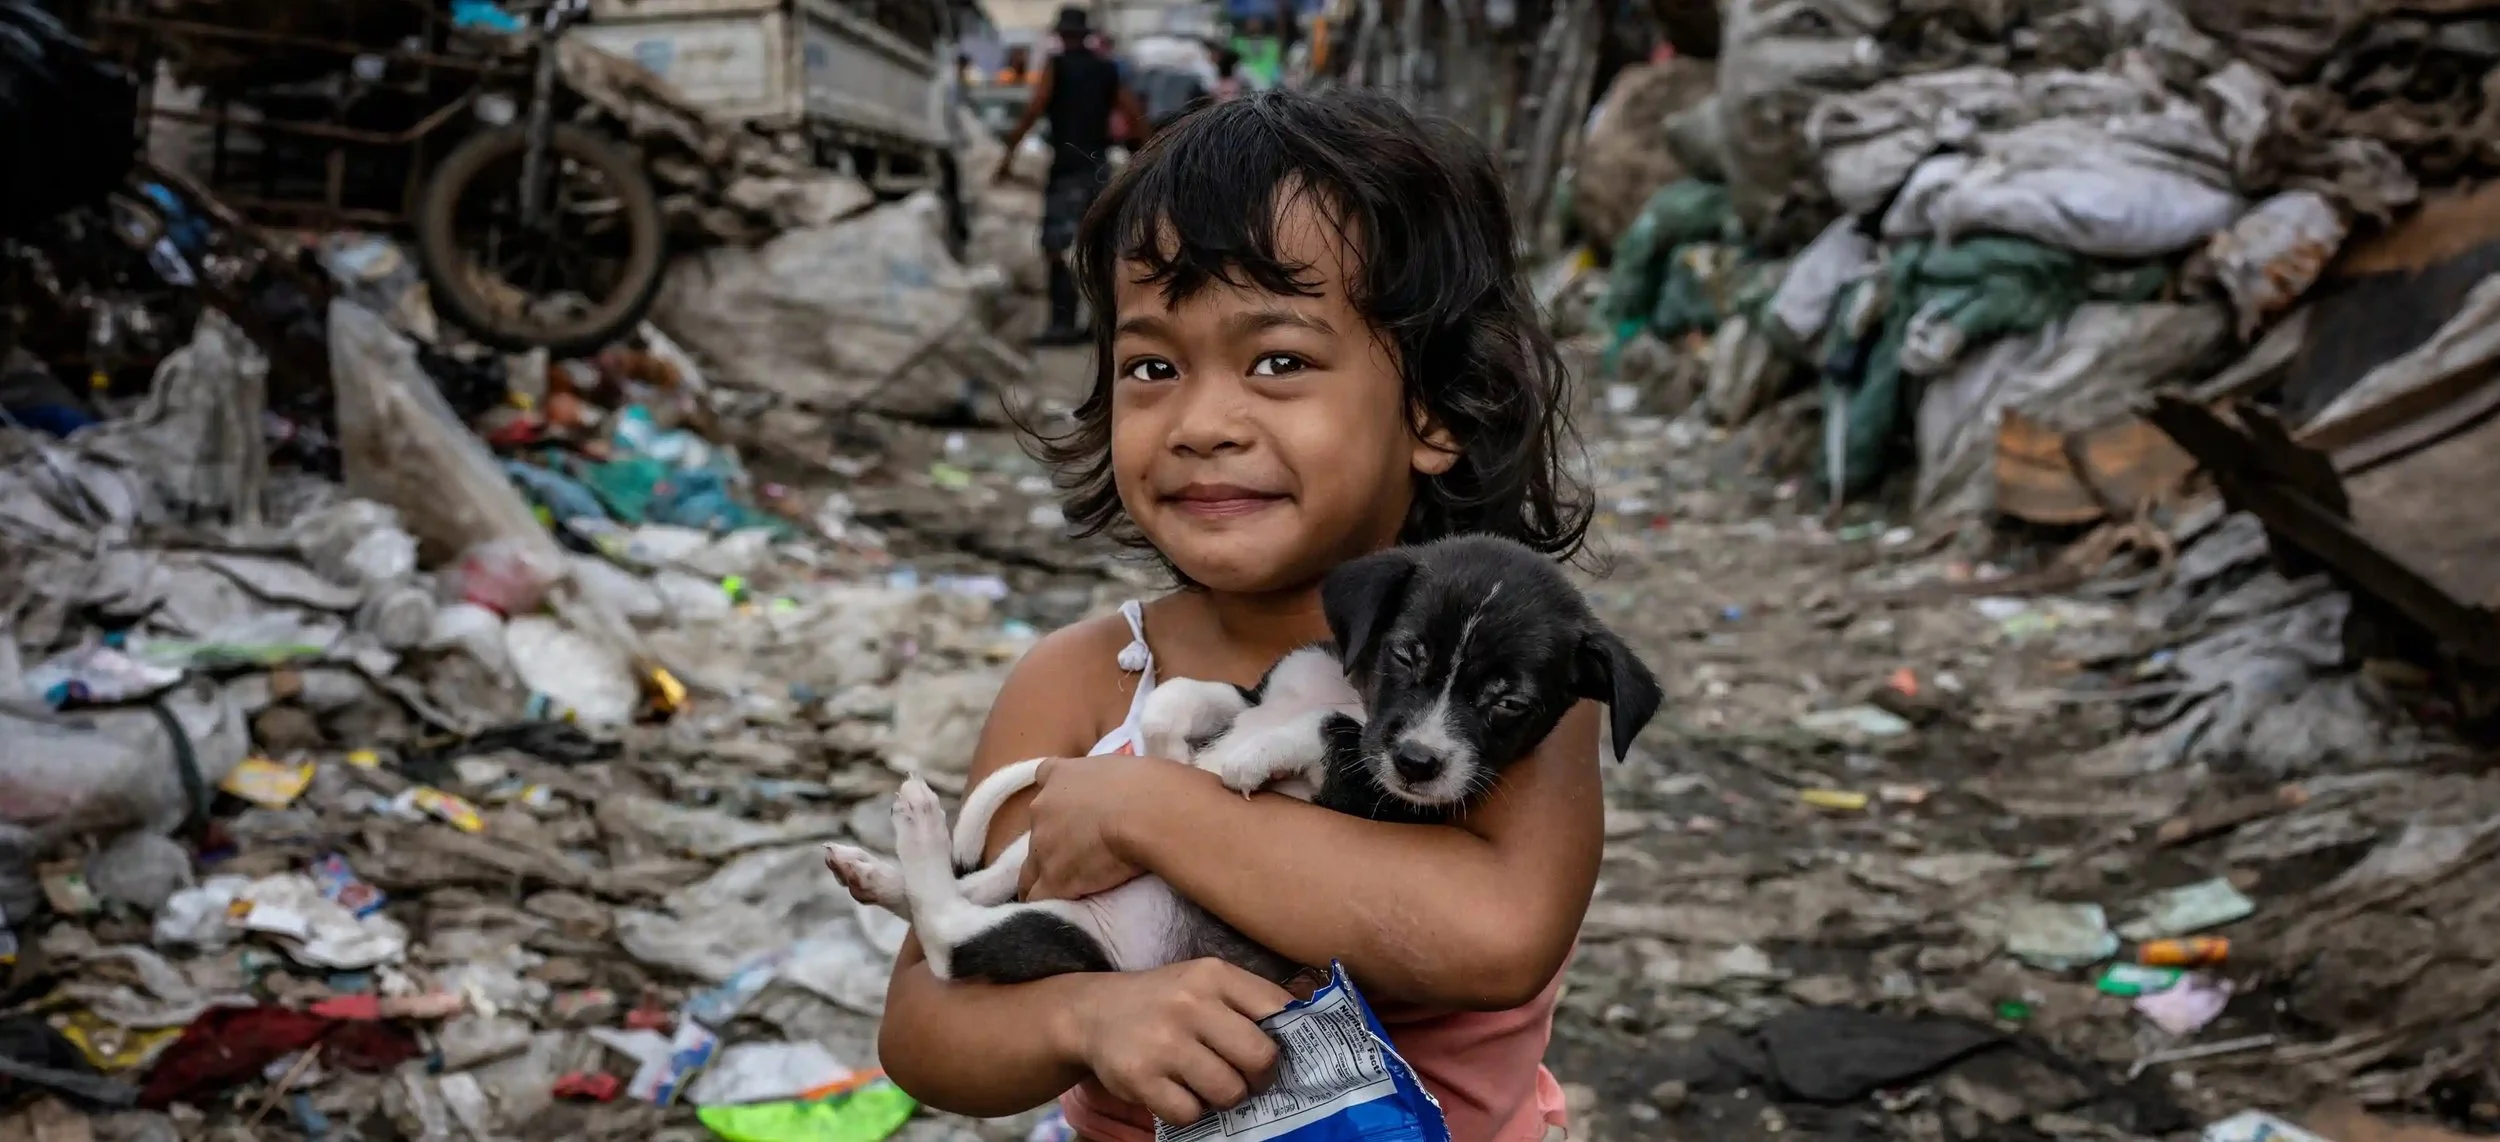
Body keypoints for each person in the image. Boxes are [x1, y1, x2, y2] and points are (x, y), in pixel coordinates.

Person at [863, 89, 1593, 1142]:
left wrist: (1152, 813)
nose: (1202, 422)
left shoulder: (1503, 690)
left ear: (1436, 407)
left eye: (1278, 361)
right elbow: (927, 1024)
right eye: (1153, 367)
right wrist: (1084, 1016)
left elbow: (1499, 935)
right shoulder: (1082, 680)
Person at [996, 6, 1149, 347]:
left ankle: (1063, 322)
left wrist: (1008, 153)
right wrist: (1148, 153)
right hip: (1097, 168)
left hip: (1066, 168)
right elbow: (1132, 113)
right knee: (1098, 247)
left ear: (1062, 36)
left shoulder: (1057, 67)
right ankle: (1101, 322)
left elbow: (1035, 107)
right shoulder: (1107, 69)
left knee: (1056, 246)